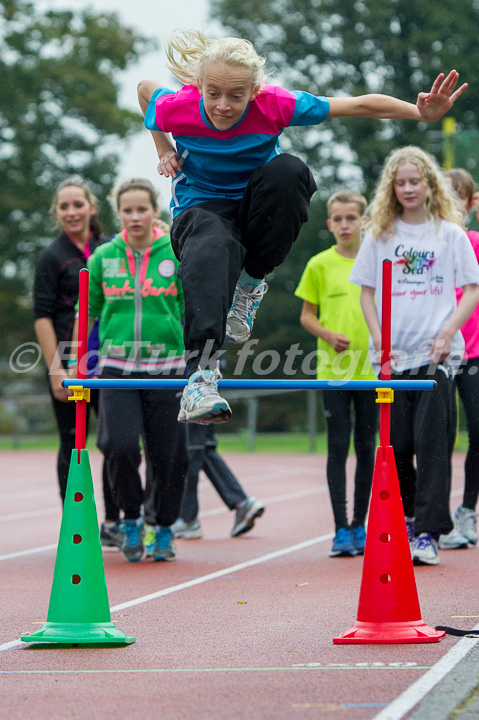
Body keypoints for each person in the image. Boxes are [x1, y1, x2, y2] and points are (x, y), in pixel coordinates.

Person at [137, 29, 466, 425]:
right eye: (213, 94)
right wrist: (163, 147)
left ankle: (249, 284)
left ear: (254, 90)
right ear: (200, 86)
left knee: (290, 171)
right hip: (200, 208)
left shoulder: (275, 103)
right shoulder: (179, 105)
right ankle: (202, 378)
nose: (223, 107)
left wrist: (419, 113)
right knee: (212, 240)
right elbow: (144, 90)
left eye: (236, 96)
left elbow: (360, 105)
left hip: (254, 206)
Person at [349, 146, 479, 566]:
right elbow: (367, 293)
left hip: (435, 356)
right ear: (392, 187)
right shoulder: (381, 235)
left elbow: (473, 290)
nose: (407, 189)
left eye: (414, 181)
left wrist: (447, 332)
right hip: (391, 358)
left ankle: (428, 532)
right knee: (397, 444)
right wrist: (377, 337)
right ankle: (405, 517)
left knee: (432, 444)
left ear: (428, 185)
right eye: (400, 182)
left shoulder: (449, 234)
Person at [75, 178, 188, 562]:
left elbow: (192, 311)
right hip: (116, 368)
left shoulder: (175, 252)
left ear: (154, 210)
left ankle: (164, 525)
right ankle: (131, 518)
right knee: (119, 447)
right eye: (127, 210)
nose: (135, 216)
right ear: (117, 212)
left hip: (169, 367)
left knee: (169, 454)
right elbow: (86, 313)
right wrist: (82, 361)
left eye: (142, 209)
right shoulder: (103, 257)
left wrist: (201, 357)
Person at [33, 177, 120, 539]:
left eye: (78, 204)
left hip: (109, 358)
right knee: (72, 440)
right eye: (64, 206)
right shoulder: (51, 257)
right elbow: (42, 316)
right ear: (57, 212)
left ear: (92, 207)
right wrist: (57, 371)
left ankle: (117, 520)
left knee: (115, 439)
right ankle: (76, 520)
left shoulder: (109, 249)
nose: (71, 212)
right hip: (67, 361)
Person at [295, 190, 378, 557]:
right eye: (338, 219)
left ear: (365, 221)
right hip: (333, 371)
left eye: (351, 218)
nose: (345, 225)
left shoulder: (377, 262)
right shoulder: (319, 264)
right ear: (329, 224)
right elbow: (306, 316)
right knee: (337, 448)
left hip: (374, 372)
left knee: (366, 448)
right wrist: (328, 335)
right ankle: (340, 529)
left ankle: (360, 525)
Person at [438, 168, 479, 550]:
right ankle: (439, 516)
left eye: (457, 198)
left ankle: (468, 510)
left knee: (477, 431)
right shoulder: (431, 248)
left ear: (471, 203)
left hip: (476, 354)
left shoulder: (475, 242)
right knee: (441, 436)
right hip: (440, 354)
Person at [173, 423, 264, 540]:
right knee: (204, 447)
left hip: (191, 408)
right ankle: (241, 502)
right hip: (203, 406)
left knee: (192, 448)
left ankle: (188, 519)